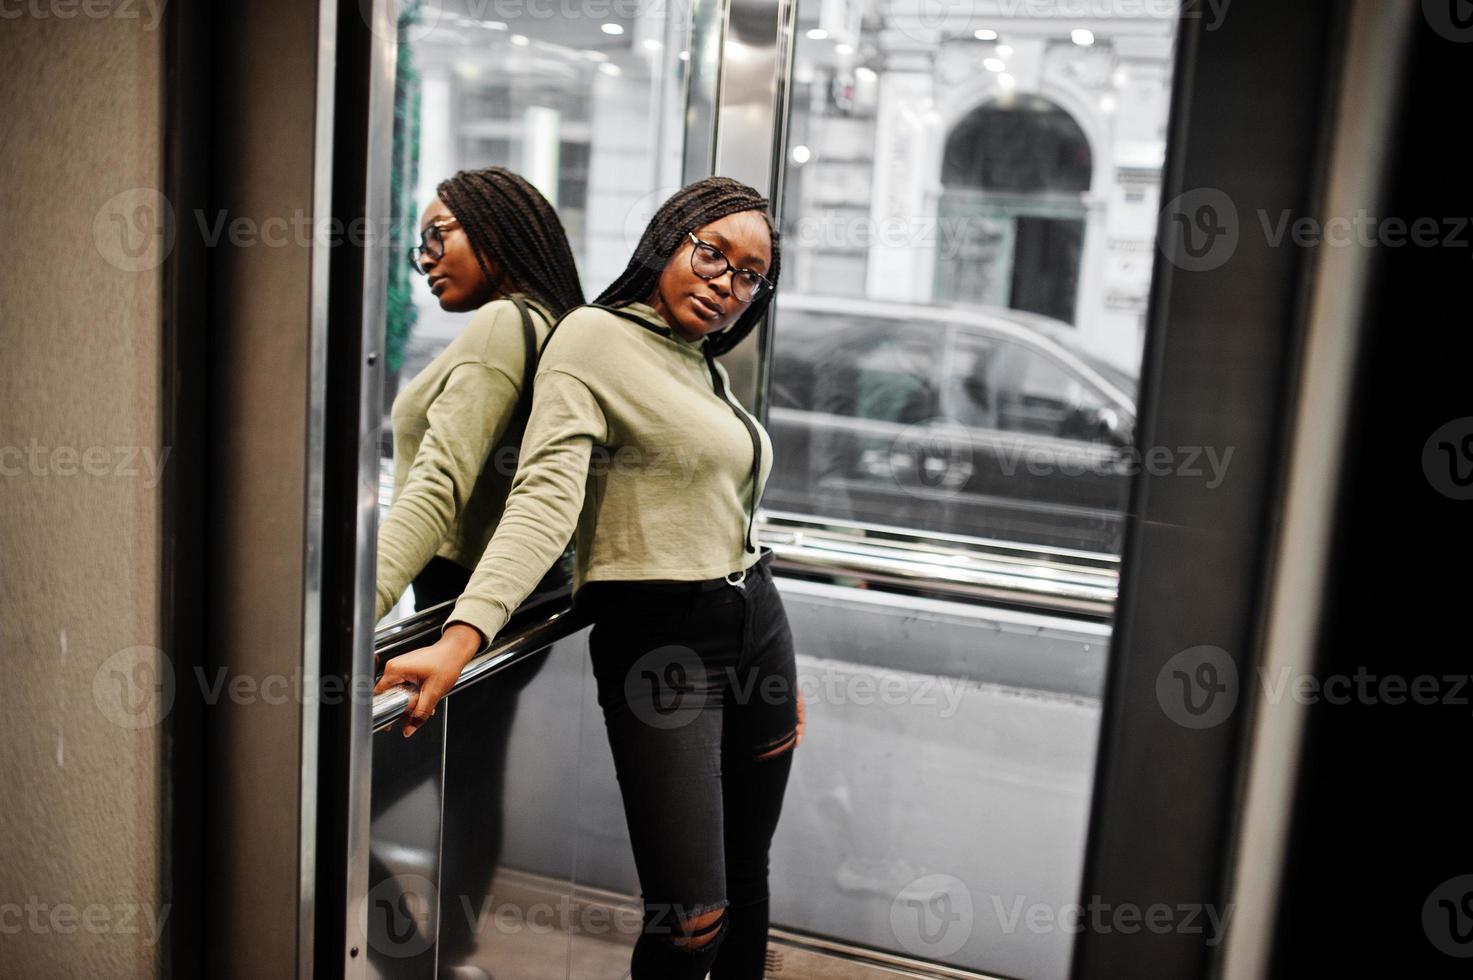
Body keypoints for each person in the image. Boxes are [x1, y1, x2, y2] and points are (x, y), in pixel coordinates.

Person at [374, 176, 807, 979]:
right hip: (664, 643)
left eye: (750, 275)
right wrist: (460, 638)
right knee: (691, 918)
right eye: (711, 253)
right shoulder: (592, 339)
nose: (727, 284)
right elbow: (542, 501)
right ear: (664, 243)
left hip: (756, 626)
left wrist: (760, 640)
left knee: (748, 877)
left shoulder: (695, 360)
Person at [376, 166, 583, 621]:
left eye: (436, 236)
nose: (426, 259)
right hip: (521, 592)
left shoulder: (503, 323)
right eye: (420, 249)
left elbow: (437, 488)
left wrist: (351, 612)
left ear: (493, 228)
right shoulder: (553, 324)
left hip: (458, 592)